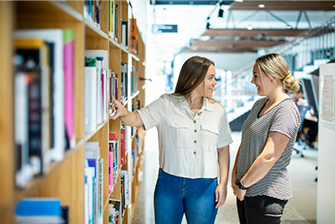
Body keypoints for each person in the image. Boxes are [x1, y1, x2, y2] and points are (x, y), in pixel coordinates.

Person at [110, 56, 233, 224]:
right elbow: (137, 119)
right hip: (169, 184)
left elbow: (223, 149)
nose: (215, 83)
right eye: (210, 78)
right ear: (193, 80)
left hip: (204, 188)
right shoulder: (166, 104)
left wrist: (223, 184)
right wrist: (123, 112)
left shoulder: (218, 111)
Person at [231, 53, 301, 224]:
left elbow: (269, 156)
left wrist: (243, 184)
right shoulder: (259, 104)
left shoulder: (286, 110)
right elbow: (246, 142)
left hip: (266, 193)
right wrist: (236, 177)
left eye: (256, 76)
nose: (252, 81)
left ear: (273, 77)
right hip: (246, 188)